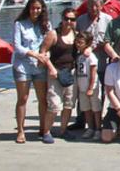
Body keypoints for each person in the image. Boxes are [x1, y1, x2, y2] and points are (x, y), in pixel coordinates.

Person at [12, 0, 55, 144]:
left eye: (38, 8)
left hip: (39, 66)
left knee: (42, 99)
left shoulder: (46, 25)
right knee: (23, 98)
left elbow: (49, 43)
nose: (35, 11)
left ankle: (43, 129)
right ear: (28, 9)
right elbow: (17, 46)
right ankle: (20, 130)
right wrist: (33, 54)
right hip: (22, 65)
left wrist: (45, 55)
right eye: (32, 8)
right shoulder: (19, 24)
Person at [69, 0, 113, 131]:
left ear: (101, 6)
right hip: (83, 65)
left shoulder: (108, 19)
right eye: (91, 5)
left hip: (101, 62)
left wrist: (96, 47)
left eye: (97, 5)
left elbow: (110, 41)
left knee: (99, 95)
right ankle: (81, 121)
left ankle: (97, 124)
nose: (94, 8)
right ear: (87, 6)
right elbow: (76, 39)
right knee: (82, 92)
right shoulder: (81, 20)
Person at [41, 8, 78, 143]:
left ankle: (63, 130)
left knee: (69, 104)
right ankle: (46, 131)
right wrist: (51, 68)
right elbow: (43, 52)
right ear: (62, 19)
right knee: (54, 104)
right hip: (55, 72)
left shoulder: (76, 34)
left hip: (71, 73)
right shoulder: (53, 34)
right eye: (66, 18)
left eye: (72, 19)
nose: (69, 22)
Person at [74, 32, 102, 141]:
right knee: (86, 109)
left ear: (87, 43)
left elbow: (93, 72)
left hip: (92, 88)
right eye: (77, 42)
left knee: (96, 109)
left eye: (81, 43)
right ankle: (90, 127)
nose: (78, 44)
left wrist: (91, 87)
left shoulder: (90, 56)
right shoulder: (79, 56)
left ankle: (98, 129)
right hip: (82, 87)